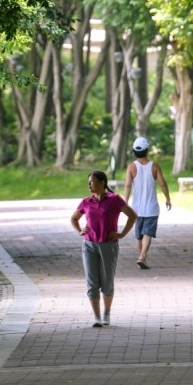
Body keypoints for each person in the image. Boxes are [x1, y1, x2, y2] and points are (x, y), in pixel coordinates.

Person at [70, 170, 138, 327]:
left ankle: (107, 312)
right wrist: (80, 230)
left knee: (107, 282)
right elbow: (74, 218)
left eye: (92, 181)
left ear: (102, 183)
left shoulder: (115, 200)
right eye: (88, 182)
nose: (89, 184)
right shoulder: (86, 202)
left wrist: (121, 234)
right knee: (92, 282)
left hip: (108, 245)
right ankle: (97, 317)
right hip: (89, 245)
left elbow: (133, 215)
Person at [123, 136, 171, 269]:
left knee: (139, 236)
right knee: (148, 233)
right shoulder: (154, 166)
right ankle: (142, 256)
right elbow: (163, 183)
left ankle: (141, 258)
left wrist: (125, 203)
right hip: (151, 208)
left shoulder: (131, 167)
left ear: (134, 151)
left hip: (136, 209)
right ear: (147, 150)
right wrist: (168, 198)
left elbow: (127, 185)